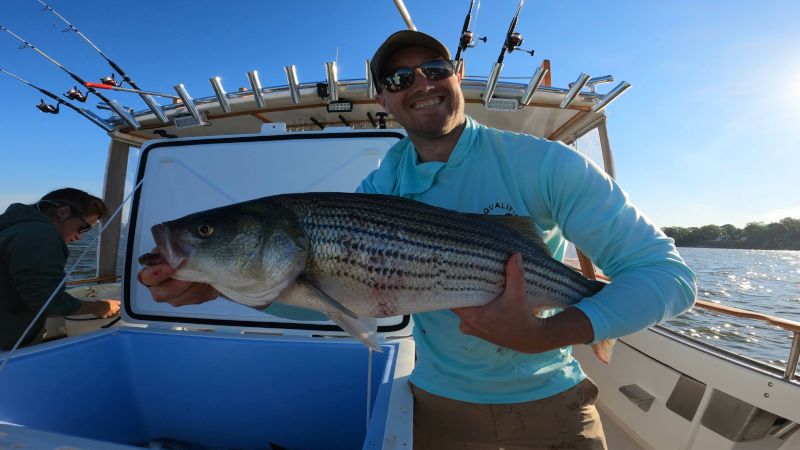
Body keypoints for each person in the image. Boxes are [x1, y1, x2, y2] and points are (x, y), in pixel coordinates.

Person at [138, 31, 696, 449]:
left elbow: (669, 277)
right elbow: (340, 304)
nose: (421, 84)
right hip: (438, 405)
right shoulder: (379, 185)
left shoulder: (543, 162)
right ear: (384, 98)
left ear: (455, 74)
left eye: (433, 68)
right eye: (399, 79)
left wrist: (554, 331)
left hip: (553, 401)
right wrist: (221, 286)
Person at [0, 188, 121, 351]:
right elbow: (48, 301)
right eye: (83, 228)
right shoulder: (40, 235)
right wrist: (99, 307)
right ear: (63, 212)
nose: (80, 237)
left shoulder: (12, 228)